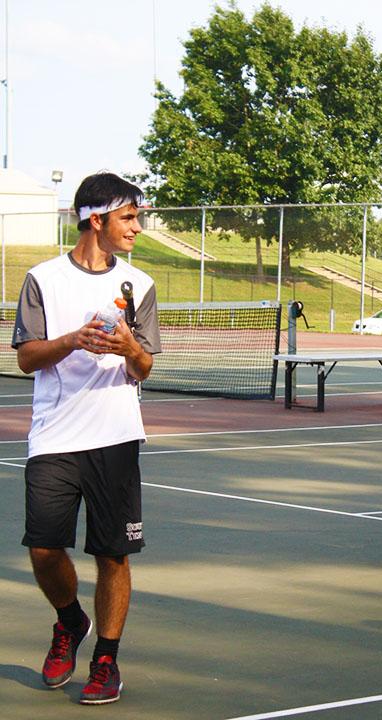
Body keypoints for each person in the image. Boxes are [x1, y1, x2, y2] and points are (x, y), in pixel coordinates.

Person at [12, 172, 161, 704]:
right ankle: (69, 621)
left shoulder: (139, 285)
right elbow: (27, 357)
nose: (137, 228)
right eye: (128, 217)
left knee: (112, 555)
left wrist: (128, 349)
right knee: (46, 548)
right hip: (54, 437)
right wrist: (74, 340)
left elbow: (144, 368)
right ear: (94, 220)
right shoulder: (43, 279)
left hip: (116, 437)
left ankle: (106, 660)